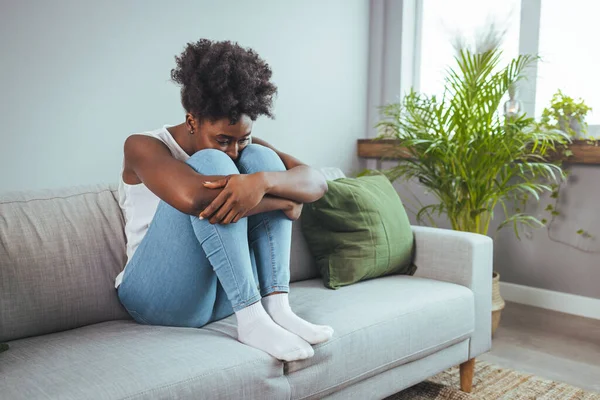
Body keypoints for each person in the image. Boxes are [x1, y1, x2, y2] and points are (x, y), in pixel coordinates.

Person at [115, 39, 333, 362]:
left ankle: (277, 306)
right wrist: (282, 201)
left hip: (217, 296)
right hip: (154, 296)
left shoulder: (241, 143)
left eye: (240, 138)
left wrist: (263, 181)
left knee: (263, 158)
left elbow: (316, 181)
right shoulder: (141, 146)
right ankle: (252, 319)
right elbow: (196, 198)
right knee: (211, 167)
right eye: (223, 140)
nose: (233, 151)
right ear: (192, 121)